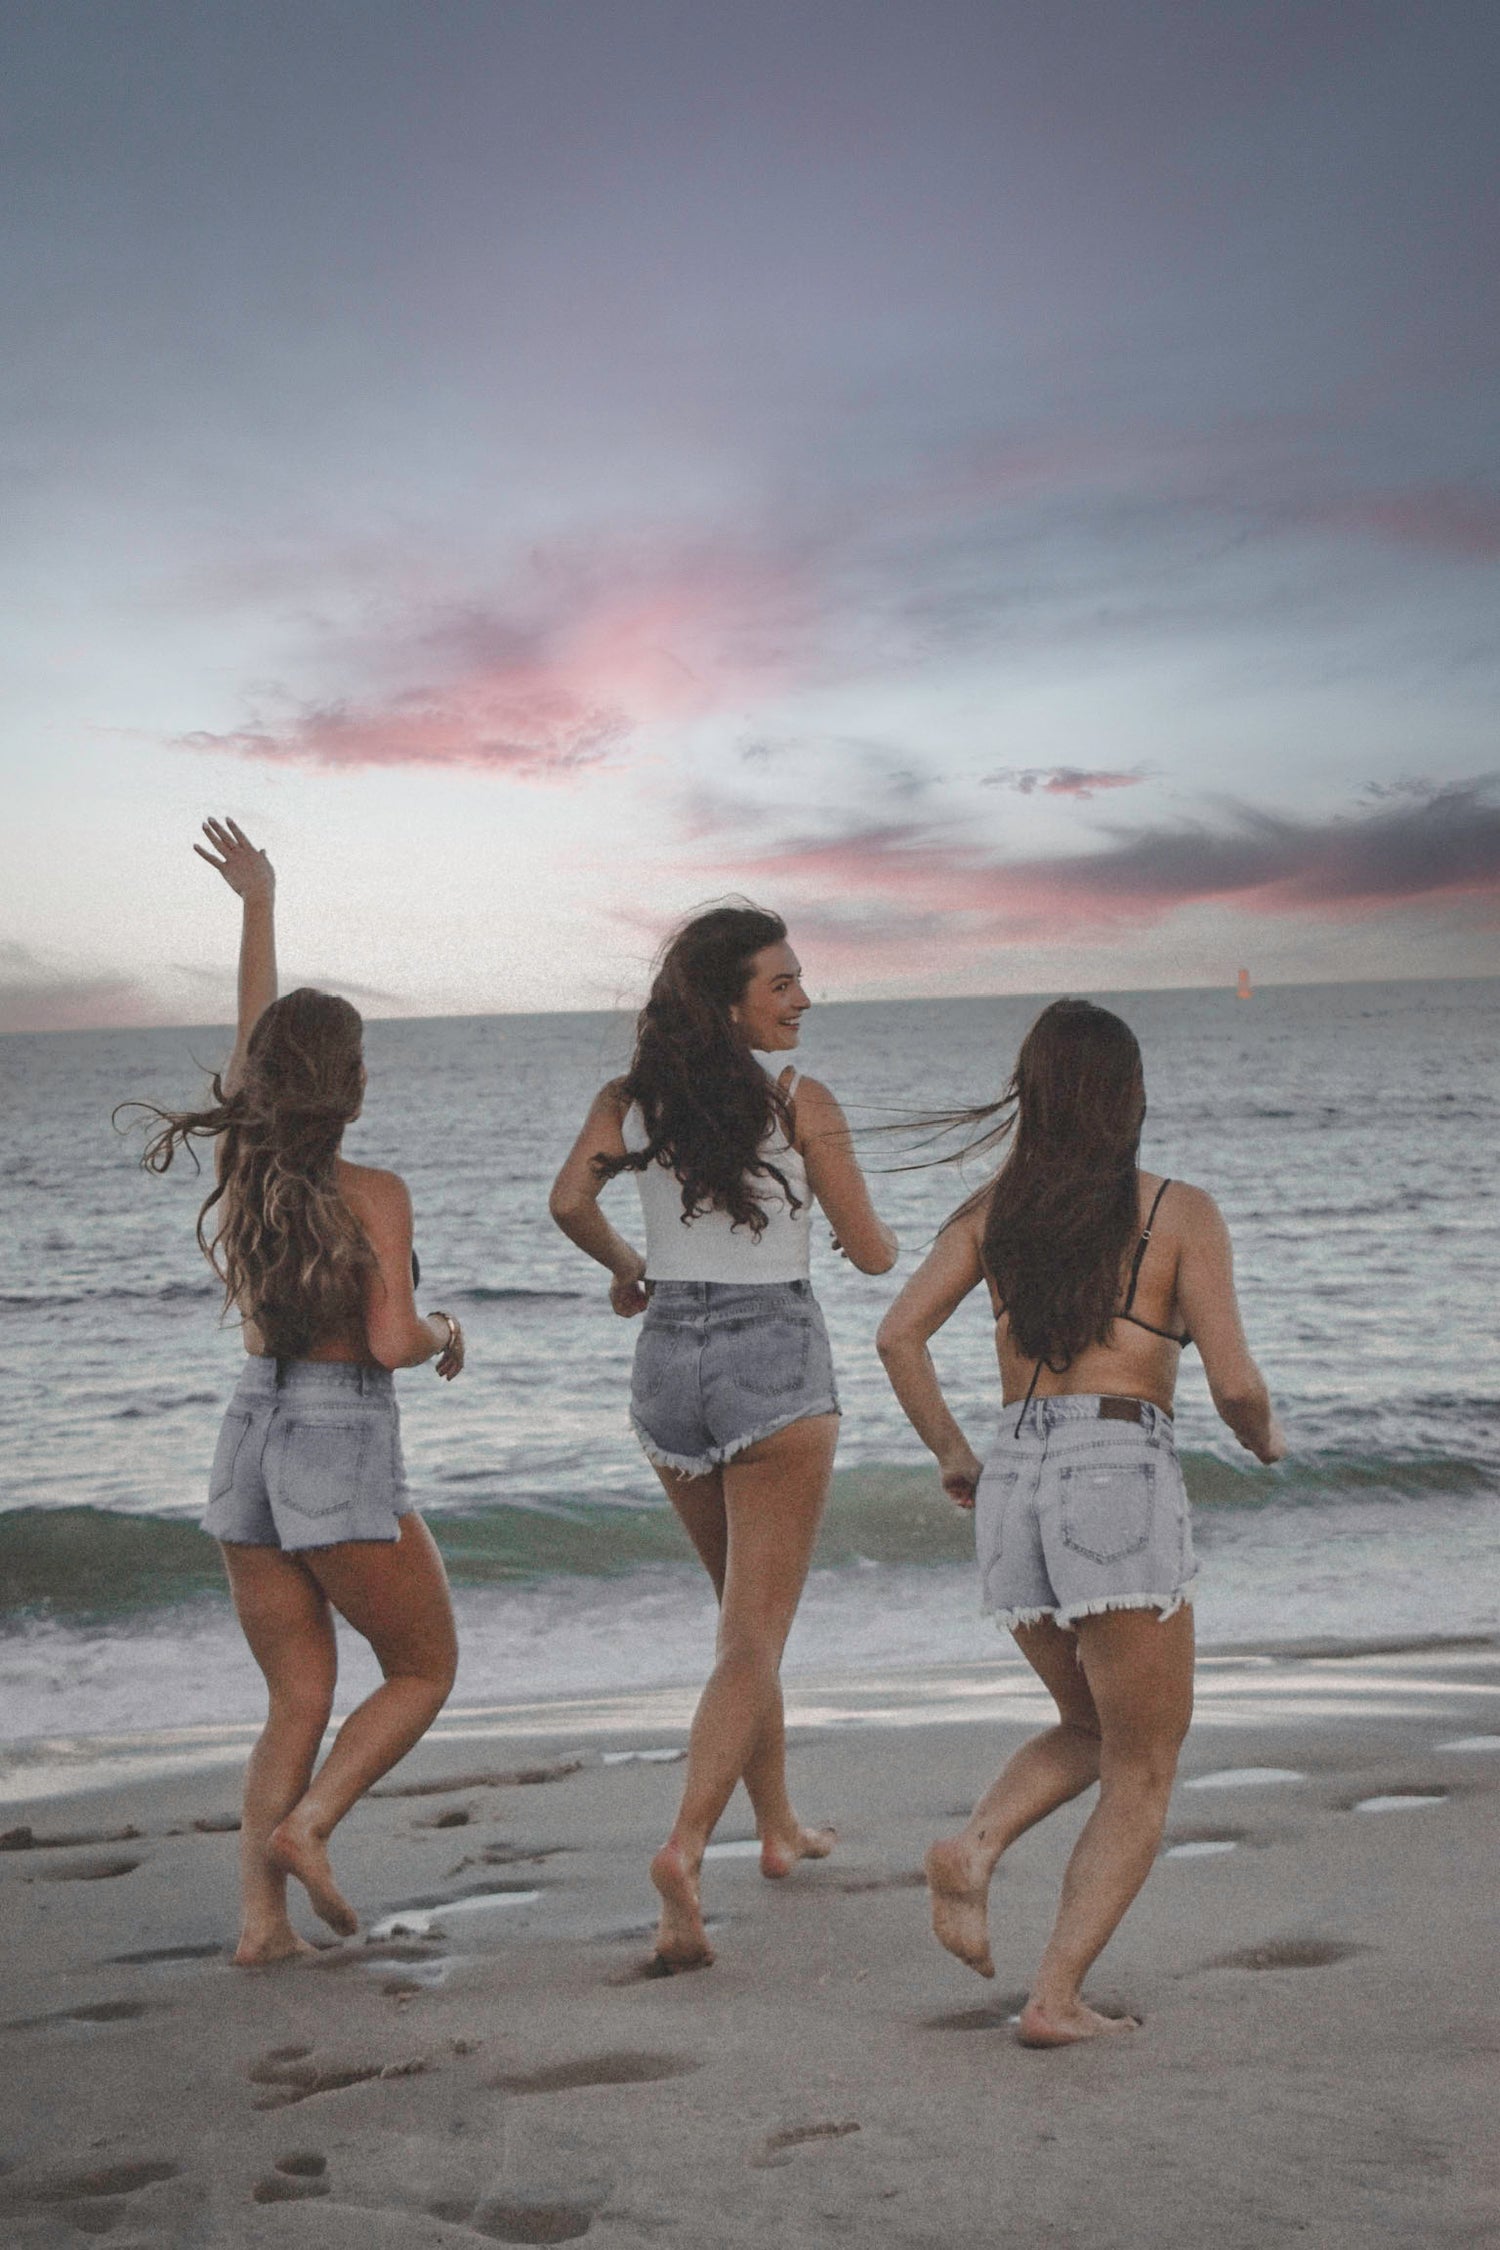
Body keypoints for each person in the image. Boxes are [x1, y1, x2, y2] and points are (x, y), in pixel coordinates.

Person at [875, 998, 1284, 2045]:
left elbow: (898, 1338)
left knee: (1094, 1730)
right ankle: (1054, 1999)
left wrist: (955, 1455)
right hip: (1115, 1473)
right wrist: (1264, 1439)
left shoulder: (992, 1214)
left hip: (1014, 1477)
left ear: (1038, 1097)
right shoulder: (1178, 1211)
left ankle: (974, 1848)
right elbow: (1235, 1381)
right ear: (1128, 1100)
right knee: (1145, 1761)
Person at [125, 818, 465, 1963]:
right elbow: (385, 1343)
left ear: (266, 1082)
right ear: (356, 1083)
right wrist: (446, 1328)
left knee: (296, 1698)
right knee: (424, 1668)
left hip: (249, 1429)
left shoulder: (250, 1161)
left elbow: (251, 1044)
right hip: (335, 1438)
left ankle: (260, 1928)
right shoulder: (375, 1189)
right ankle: (310, 1826)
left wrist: (259, 904)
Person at [550, 903, 898, 1969]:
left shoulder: (630, 1102)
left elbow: (569, 1201)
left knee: (740, 1627)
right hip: (771, 1363)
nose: (803, 999)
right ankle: (684, 1847)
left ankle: (778, 1828)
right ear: (729, 999)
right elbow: (877, 1253)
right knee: (752, 1636)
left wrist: (627, 1266)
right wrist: (840, 1223)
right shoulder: (800, 1102)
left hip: (668, 1363)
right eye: (782, 983)